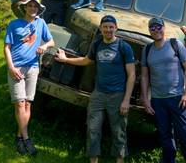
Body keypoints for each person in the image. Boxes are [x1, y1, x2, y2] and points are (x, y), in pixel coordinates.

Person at [54, 15, 135, 163]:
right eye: (105, 27)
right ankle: (93, 160)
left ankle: (120, 160)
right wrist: (66, 60)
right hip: (98, 94)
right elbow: (86, 60)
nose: (108, 30)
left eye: (111, 27)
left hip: (117, 95)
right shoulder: (97, 44)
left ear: (116, 28)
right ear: (101, 29)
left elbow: (131, 74)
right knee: (93, 129)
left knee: (118, 131)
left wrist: (126, 100)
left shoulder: (124, 47)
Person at [141, 17, 186, 163]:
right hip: (158, 100)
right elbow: (144, 76)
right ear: (149, 31)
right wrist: (145, 99)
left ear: (164, 28)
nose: (156, 30)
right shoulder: (147, 49)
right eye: (152, 28)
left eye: (158, 27)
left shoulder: (175, 44)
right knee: (165, 135)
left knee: (185, 133)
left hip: (178, 98)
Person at [3, 0, 55, 156]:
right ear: (24, 8)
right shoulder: (14, 24)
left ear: (38, 9)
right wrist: (11, 67)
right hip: (16, 68)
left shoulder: (41, 24)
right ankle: (27, 139)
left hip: (33, 67)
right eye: (30, 5)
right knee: (19, 103)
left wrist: (44, 46)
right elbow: (6, 47)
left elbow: (51, 41)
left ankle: (19, 137)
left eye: (35, 6)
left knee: (27, 104)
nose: (33, 8)